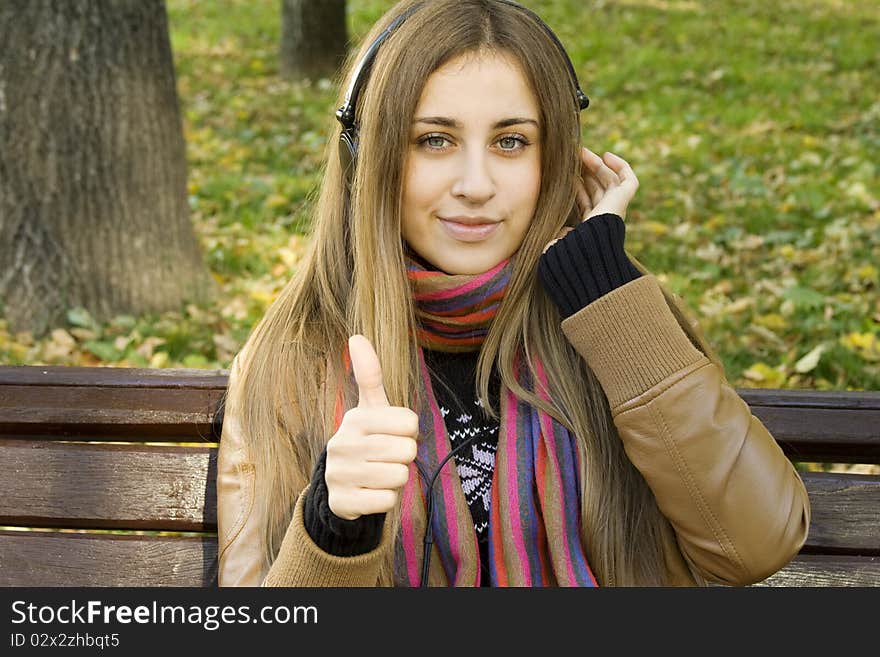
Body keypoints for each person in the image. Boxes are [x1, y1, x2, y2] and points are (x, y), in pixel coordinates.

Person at [217, 0, 810, 587]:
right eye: (434, 140)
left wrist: (607, 295)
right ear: (367, 159)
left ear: (554, 160)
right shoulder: (292, 360)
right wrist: (333, 529)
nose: (476, 186)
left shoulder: (614, 316)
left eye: (510, 142)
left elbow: (757, 544)